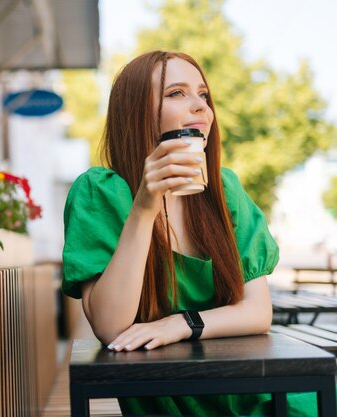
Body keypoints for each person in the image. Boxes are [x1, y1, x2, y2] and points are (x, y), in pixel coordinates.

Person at [62, 50, 314, 416]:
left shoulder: (225, 190)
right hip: (170, 398)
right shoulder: (99, 192)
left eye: (204, 95)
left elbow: (258, 311)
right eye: (177, 93)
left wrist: (182, 324)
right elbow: (110, 326)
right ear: (136, 111)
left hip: (259, 394)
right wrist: (145, 206)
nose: (201, 108)